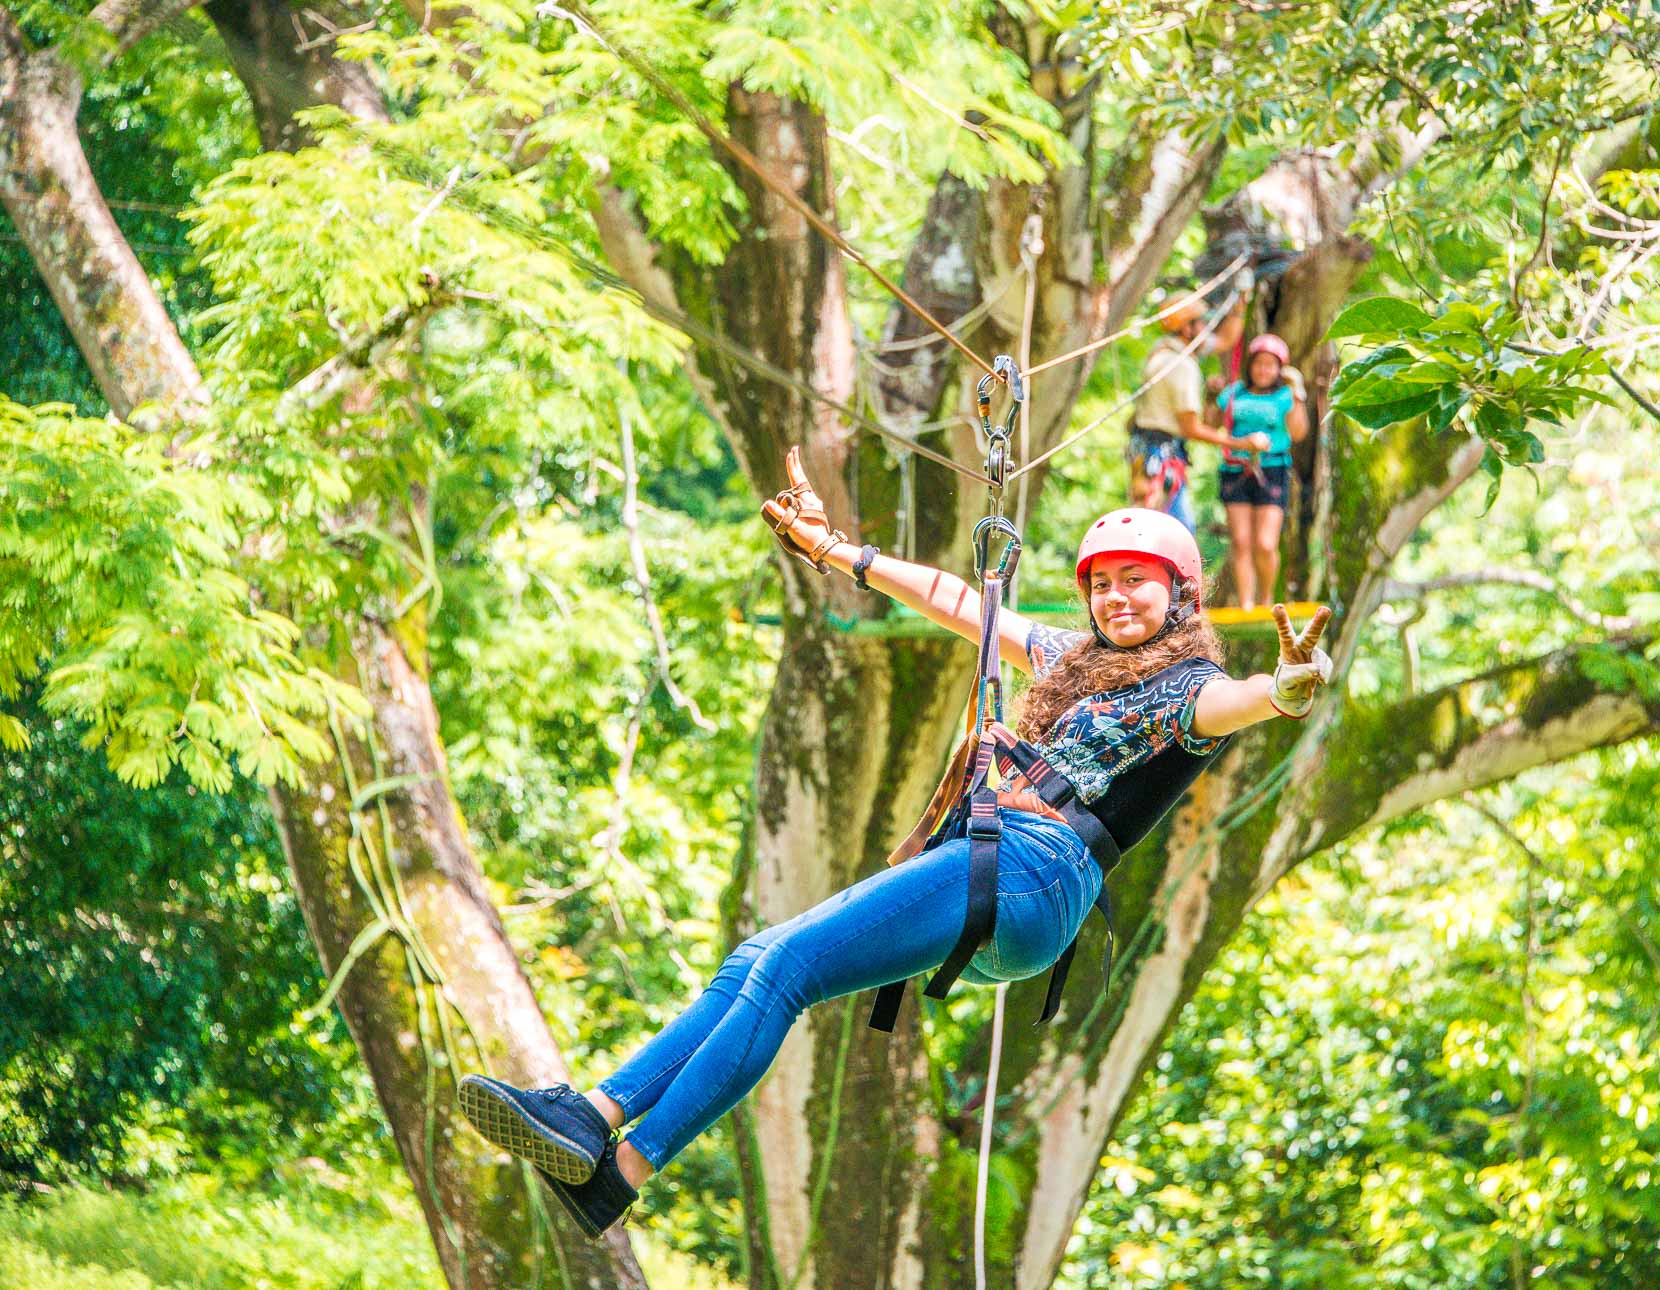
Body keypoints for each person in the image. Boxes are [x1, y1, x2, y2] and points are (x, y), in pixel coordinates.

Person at [456, 450, 1334, 1238]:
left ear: (1179, 593)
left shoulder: (1191, 686)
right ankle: (596, 1126)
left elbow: (1239, 704)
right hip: (1002, 864)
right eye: (1101, 584)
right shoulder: (1073, 660)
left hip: (1034, 869)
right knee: (754, 958)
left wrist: (1286, 688)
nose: (1115, 599)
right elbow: (963, 603)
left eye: (1135, 583)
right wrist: (837, 550)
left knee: (786, 968)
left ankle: (628, 1162)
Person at [1127, 297, 1272, 532]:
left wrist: (1239, 303)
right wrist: (1242, 443)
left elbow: (1226, 340)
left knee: (1159, 529)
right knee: (1176, 532)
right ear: (1187, 328)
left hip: (1148, 453)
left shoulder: (1162, 351)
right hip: (1161, 457)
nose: (1206, 328)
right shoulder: (1181, 365)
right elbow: (1191, 428)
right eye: (1202, 323)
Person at [1215, 333, 1309, 611]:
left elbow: (1299, 432)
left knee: (1265, 543)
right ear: (1250, 365)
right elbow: (1212, 422)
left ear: (1280, 368)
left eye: (1270, 364)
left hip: (1273, 469)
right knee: (1241, 541)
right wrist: (1212, 394)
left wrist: (1298, 394)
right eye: (1259, 363)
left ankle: (1266, 598)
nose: (1264, 370)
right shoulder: (1233, 393)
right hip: (1236, 469)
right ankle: (1245, 602)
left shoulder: (1285, 395)